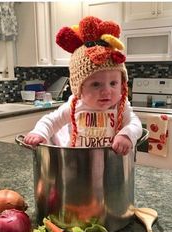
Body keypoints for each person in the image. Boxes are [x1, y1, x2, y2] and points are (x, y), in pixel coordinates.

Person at [24, 16, 142, 155]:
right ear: (79, 87)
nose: (106, 91)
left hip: (111, 164)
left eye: (113, 83)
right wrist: (39, 133)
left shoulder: (120, 106)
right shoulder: (74, 105)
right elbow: (50, 121)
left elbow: (135, 124)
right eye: (96, 84)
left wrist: (126, 135)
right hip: (76, 163)